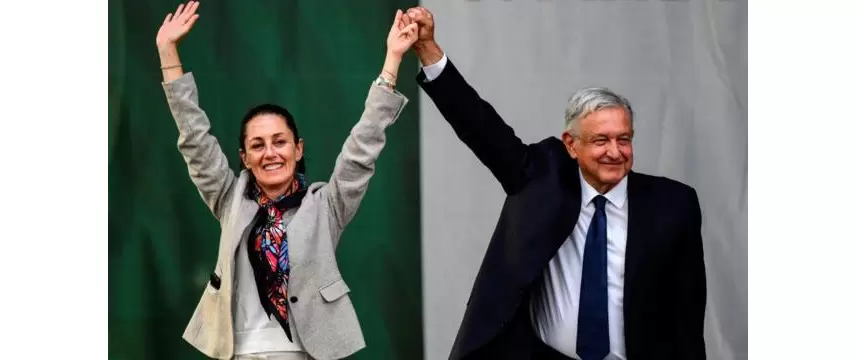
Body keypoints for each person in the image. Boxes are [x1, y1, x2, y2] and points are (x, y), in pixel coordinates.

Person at [404, 7, 707, 360]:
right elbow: (479, 125)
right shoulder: (542, 177)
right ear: (570, 144)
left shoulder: (674, 206)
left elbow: (686, 317)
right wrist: (427, 49)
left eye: (623, 139)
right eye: (600, 140)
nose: (615, 152)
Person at [155, 2, 419, 359]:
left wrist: (392, 60)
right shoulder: (230, 198)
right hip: (238, 351)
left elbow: (363, 145)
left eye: (279, 142)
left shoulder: (326, 205)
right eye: (257, 145)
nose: (270, 153)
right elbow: (194, 138)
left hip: (306, 352)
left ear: (298, 149)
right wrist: (168, 55)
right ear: (244, 157)